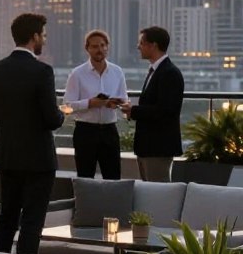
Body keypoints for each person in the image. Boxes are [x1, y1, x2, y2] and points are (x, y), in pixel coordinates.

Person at [0, 12, 65, 254]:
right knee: (32, 219)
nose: (45, 40)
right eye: (44, 35)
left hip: (7, 155)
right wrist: (62, 114)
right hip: (38, 160)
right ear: (34, 36)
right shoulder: (42, 72)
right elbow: (52, 119)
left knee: (7, 215)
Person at [120, 25, 184, 182]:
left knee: (158, 196)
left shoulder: (169, 73)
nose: (138, 47)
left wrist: (133, 110)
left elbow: (166, 111)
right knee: (151, 193)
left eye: (141, 43)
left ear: (153, 45)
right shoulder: (156, 71)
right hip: (148, 147)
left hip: (158, 148)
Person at [63, 29, 128, 179]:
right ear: (87, 49)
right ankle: (85, 203)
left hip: (109, 130)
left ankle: (111, 203)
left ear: (107, 47)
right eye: (95, 46)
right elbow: (66, 106)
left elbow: (124, 99)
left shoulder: (117, 72)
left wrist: (116, 103)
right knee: (85, 177)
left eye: (102, 45)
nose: (100, 50)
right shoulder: (77, 74)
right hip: (86, 131)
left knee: (113, 177)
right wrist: (90, 103)